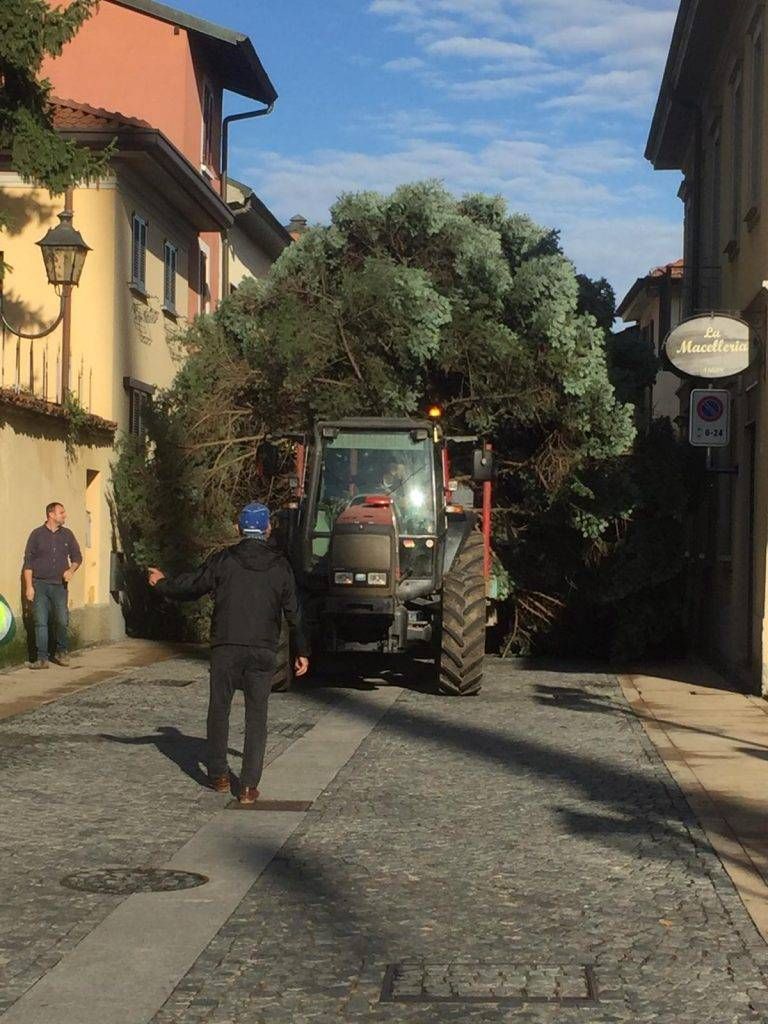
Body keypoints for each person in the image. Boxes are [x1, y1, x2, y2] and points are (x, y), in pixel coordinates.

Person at [147, 502, 309, 805]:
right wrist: (302, 650)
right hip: (262, 649)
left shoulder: (223, 560)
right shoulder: (280, 566)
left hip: (225, 646)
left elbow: (193, 586)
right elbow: (294, 612)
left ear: (238, 528)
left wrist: (162, 584)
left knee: (219, 709)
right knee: (257, 716)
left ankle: (219, 775)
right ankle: (248, 787)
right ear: (267, 529)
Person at [23, 502, 82, 669]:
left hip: (59, 586)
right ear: (51, 514)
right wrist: (29, 586)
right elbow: (28, 562)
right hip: (39, 584)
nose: (65, 515)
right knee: (40, 621)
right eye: (61, 512)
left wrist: (71, 570)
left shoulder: (67, 535)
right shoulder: (36, 535)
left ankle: (61, 652)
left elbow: (77, 557)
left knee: (62, 620)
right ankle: (42, 658)